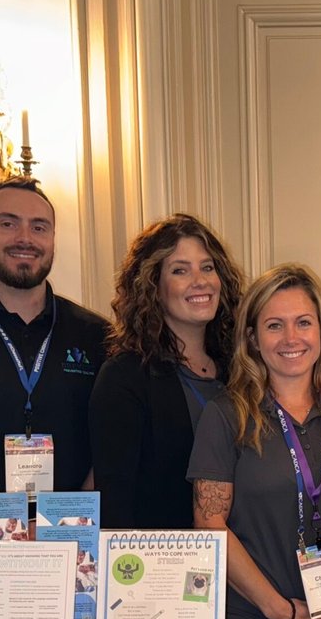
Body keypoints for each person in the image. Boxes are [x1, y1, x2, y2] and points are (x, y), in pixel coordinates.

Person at [189, 264, 321, 619]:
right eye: (274, 325)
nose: (291, 338)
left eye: (304, 323)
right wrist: (280, 611)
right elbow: (209, 522)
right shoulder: (226, 415)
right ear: (253, 339)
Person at [0, 178, 109, 494]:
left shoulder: (98, 335)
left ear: (53, 238)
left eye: (39, 227)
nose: (25, 238)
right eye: (8, 224)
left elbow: (115, 436)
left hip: (73, 530)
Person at [90, 214, 244, 528]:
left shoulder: (242, 367)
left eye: (207, 267)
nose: (200, 281)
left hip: (247, 558)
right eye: (179, 270)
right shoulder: (125, 377)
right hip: (164, 566)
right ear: (153, 287)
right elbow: (114, 503)